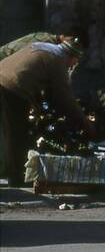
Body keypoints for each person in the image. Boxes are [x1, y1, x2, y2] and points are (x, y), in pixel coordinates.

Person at [0, 37, 93, 184]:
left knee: (6, 133)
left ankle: (9, 171)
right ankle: (16, 177)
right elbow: (64, 97)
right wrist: (84, 123)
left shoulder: (41, 46)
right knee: (18, 134)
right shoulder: (58, 60)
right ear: (71, 56)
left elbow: (31, 73)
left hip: (3, 79)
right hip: (12, 88)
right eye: (75, 61)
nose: (73, 65)